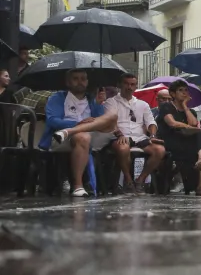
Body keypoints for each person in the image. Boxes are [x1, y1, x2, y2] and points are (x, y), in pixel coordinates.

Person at [42, 69, 119, 197]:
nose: (80, 82)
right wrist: (78, 124)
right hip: (60, 137)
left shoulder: (91, 99)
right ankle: (78, 186)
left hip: (91, 135)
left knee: (113, 116)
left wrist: (98, 104)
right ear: (68, 82)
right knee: (82, 136)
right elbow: (52, 121)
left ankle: (69, 131)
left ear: (87, 81)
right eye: (75, 78)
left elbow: (100, 121)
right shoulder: (57, 98)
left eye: (83, 79)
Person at [106, 73, 166, 195]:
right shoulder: (111, 102)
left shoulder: (143, 104)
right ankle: (128, 181)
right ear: (120, 85)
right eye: (126, 84)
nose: (129, 87)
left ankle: (140, 180)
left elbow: (151, 122)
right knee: (123, 148)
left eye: (132, 84)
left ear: (136, 86)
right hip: (120, 135)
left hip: (139, 137)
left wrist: (152, 136)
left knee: (160, 150)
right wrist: (119, 134)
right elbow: (109, 122)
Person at [157, 79, 201, 196]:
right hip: (171, 141)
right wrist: (188, 127)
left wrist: (185, 106)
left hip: (187, 142)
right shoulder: (167, 106)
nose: (185, 93)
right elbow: (172, 123)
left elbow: (194, 124)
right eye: (181, 90)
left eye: (186, 90)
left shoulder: (190, 111)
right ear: (173, 94)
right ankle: (200, 183)